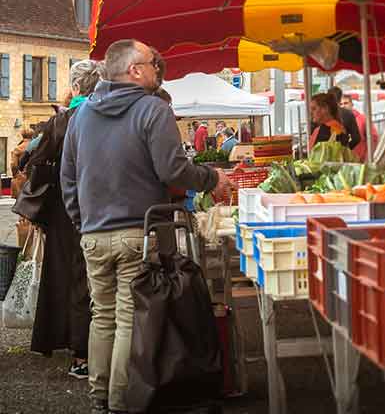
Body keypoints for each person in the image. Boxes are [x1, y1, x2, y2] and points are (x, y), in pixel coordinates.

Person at [61, 39, 232, 414]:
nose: (159, 67)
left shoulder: (82, 114)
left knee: (102, 315)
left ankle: (99, 399)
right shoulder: (153, 110)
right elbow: (173, 170)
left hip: (93, 234)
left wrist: (81, 221)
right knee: (126, 318)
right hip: (136, 233)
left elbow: (68, 178)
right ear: (134, 70)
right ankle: (120, 403)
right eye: (153, 63)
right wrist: (211, 178)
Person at [17, 59, 105, 381]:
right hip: (103, 209)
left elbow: (32, 160)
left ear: (76, 88)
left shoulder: (63, 121)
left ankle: (80, 355)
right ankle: (97, 350)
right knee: (98, 282)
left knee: (73, 280)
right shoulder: (108, 116)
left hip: (67, 213)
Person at [340, 94, 379, 162]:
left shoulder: (363, 119)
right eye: (341, 104)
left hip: (360, 162)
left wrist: (367, 159)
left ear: (352, 104)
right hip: (342, 163)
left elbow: (374, 139)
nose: (343, 106)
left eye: (346, 103)